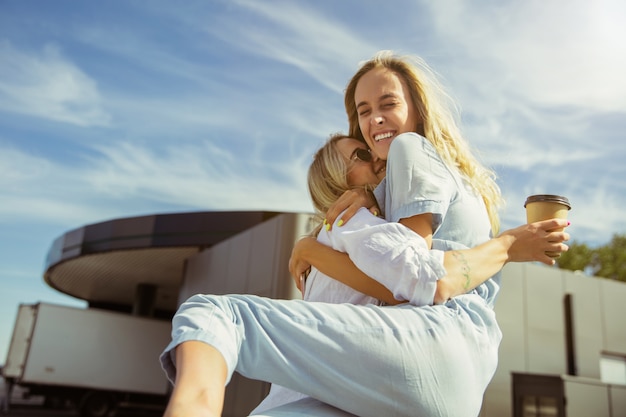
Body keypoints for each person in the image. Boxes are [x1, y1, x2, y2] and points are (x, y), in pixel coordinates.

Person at [160, 52, 570, 417]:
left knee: (218, 314)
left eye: (388, 104)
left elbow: (413, 280)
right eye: (363, 111)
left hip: (432, 337)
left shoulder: (411, 149)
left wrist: (312, 249)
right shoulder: (421, 189)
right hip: (455, 368)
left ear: (418, 109)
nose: (374, 120)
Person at [250, 133, 568, 414]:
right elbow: (403, 287)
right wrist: (508, 246)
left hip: (307, 393)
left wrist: (309, 248)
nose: (377, 159)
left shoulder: (335, 234)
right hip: (314, 399)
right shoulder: (353, 222)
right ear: (337, 175)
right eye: (361, 155)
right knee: (230, 316)